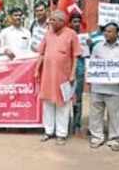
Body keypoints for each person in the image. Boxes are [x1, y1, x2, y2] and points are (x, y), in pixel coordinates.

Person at [35, 10, 81, 145]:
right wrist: (37, 69)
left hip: (64, 76)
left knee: (63, 104)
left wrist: (72, 74)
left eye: (53, 20)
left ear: (62, 21)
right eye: (50, 20)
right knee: (48, 103)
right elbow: (41, 54)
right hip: (47, 75)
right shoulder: (48, 33)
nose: (50, 22)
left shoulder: (71, 34)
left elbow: (76, 56)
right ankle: (48, 131)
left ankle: (61, 134)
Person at [88, 22, 119, 152]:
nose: (107, 33)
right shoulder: (97, 47)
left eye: (110, 31)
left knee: (115, 115)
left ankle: (115, 139)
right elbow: (92, 64)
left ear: (117, 33)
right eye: (105, 31)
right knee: (96, 113)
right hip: (98, 87)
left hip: (115, 88)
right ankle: (97, 137)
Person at [69, 12, 87, 135]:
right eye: (74, 21)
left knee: (78, 98)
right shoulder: (66, 35)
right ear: (70, 23)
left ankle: (77, 123)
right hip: (65, 70)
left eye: (78, 21)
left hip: (79, 69)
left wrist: (88, 46)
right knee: (65, 97)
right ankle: (65, 123)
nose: (76, 24)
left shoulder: (85, 37)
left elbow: (87, 54)